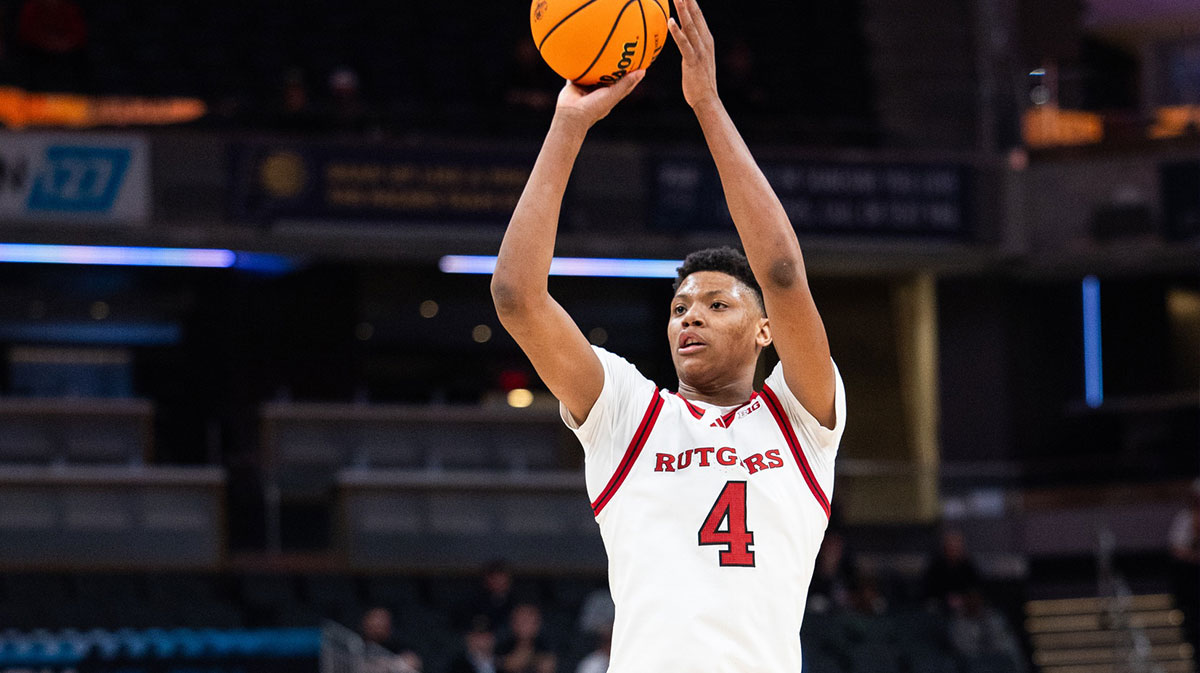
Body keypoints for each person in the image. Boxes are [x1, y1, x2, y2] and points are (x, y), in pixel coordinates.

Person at [490, 0, 846, 670]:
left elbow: (781, 270)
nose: (691, 316)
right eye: (681, 306)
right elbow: (515, 296)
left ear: (766, 329)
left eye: (717, 304)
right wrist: (567, 124)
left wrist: (707, 104)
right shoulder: (628, 412)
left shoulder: (800, 416)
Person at [923, 527, 984, 612]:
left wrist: (963, 598)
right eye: (950, 546)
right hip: (940, 604)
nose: (953, 549)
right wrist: (946, 598)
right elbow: (929, 588)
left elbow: (975, 587)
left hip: (965, 606)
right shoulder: (936, 566)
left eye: (957, 546)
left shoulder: (968, 566)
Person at [494, 603, 556, 673]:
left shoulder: (546, 646)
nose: (523, 625)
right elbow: (503, 663)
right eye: (520, 621)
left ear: (537, 624)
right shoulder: (501, 646)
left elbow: (547, 665)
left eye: (528, 621)